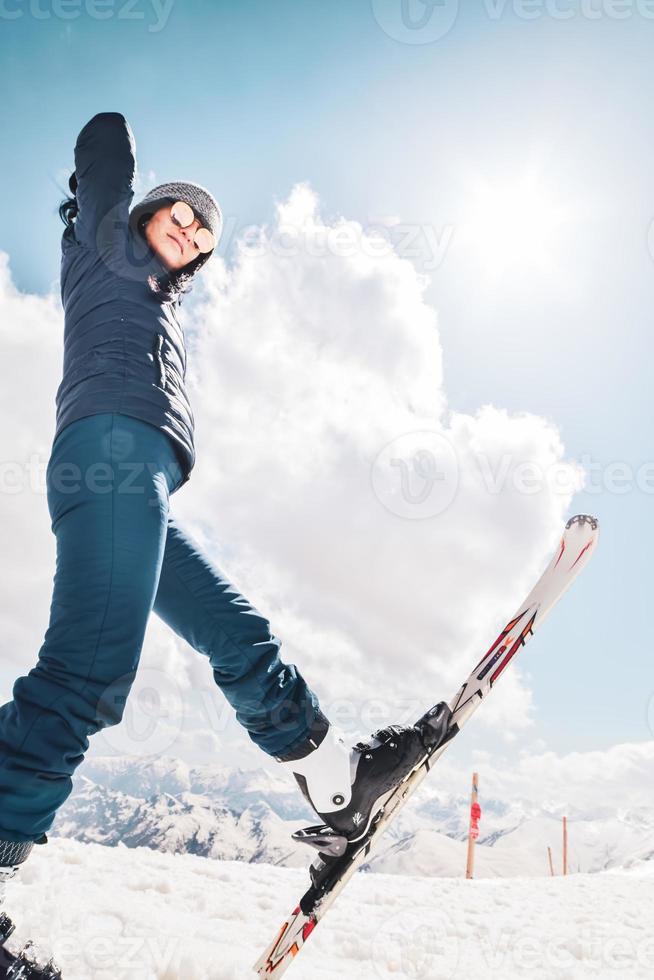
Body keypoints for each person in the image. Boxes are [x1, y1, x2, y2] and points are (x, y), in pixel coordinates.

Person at [0, 112, 433, 933]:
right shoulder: (105, 248)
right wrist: (106, 173)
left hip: (144, 475)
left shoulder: (158, 300)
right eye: (178, 210)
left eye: (203, 228)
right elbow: (101, 140)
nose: (191, 227)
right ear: (136, 213)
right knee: (86, 673)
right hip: (112, 454)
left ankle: (336, 779)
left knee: (235, 633)